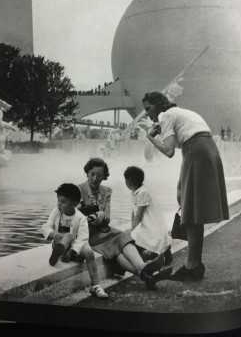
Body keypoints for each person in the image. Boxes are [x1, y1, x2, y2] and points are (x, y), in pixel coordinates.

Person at [142, 92, 229, 282]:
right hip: (206, 150)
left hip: (197, 152)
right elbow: (188, 144)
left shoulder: (166, 116)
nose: (147, 114)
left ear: (158, 105)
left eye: (148, 109)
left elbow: (169, 151)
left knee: (192, 211)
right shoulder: (180, 113)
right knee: (190, 206)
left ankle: (193, 266)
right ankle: (194, 264)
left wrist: (150, 137)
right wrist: (180, 185)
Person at [78, 158, 169, 289]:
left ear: (104, 177)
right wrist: (93, 218)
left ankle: (142, 269)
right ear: (87, 172)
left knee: (123, 237)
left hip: (104, 230)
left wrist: (101, 217)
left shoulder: (106, 191)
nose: (95, 179)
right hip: (89, 234)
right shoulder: (79, 190)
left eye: (99, 176)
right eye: (92, 174)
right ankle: (144, 271)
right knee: (115, 248)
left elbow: (107, 218)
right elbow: (75, 218)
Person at [42, 183, 109, 299]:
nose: (59, 204)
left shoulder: (80, 217)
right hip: (59, 241)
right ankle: (59, 251)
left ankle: (96, 285)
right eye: (58, 201)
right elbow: (46, 226)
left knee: (89, 252)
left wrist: (73, 251)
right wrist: (54, 234)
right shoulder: (56, 212)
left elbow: (83, 238)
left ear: (74, 204)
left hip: (74, 246)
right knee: (67, 236)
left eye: (63, 202)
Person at [124, 166, 172, 264]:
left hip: (151, 226)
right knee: (132, 236)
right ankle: (156, 253)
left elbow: (139, 216)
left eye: (126, 180)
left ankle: (158, 254)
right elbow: (133, 213)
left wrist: (132, 232)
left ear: (129, 181)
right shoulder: (134, 192)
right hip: (146, 224)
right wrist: (131, 228)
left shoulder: (143, 192)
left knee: (131, 239)